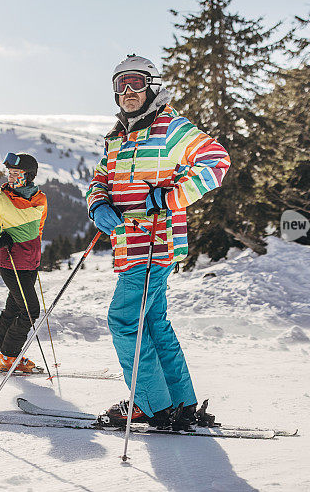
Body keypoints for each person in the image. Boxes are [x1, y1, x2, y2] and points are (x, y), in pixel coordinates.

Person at [86, 54, 230, 429]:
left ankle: (150, 405)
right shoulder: (116, 137)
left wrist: (167, 198)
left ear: (151, 85)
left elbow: (216, 161)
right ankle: (180, 403)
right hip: (126, 243)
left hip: (154, 242)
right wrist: (98, 203)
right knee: (153, 323)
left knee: (123, 321)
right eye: (121, 84)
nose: (129, 91)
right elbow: (100, 178)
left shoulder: (170, 128)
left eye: (136, 82)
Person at [0, 152, 47, 373]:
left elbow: (38, 228)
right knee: (30, 311)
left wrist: (34, 252)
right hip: (11, 263)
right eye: (10, 173)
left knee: (13, 309)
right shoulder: (0, 200)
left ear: (29, 175)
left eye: (17, 173)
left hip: (30, 263)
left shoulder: (40, 199)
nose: (11, 177)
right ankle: (9, 356)